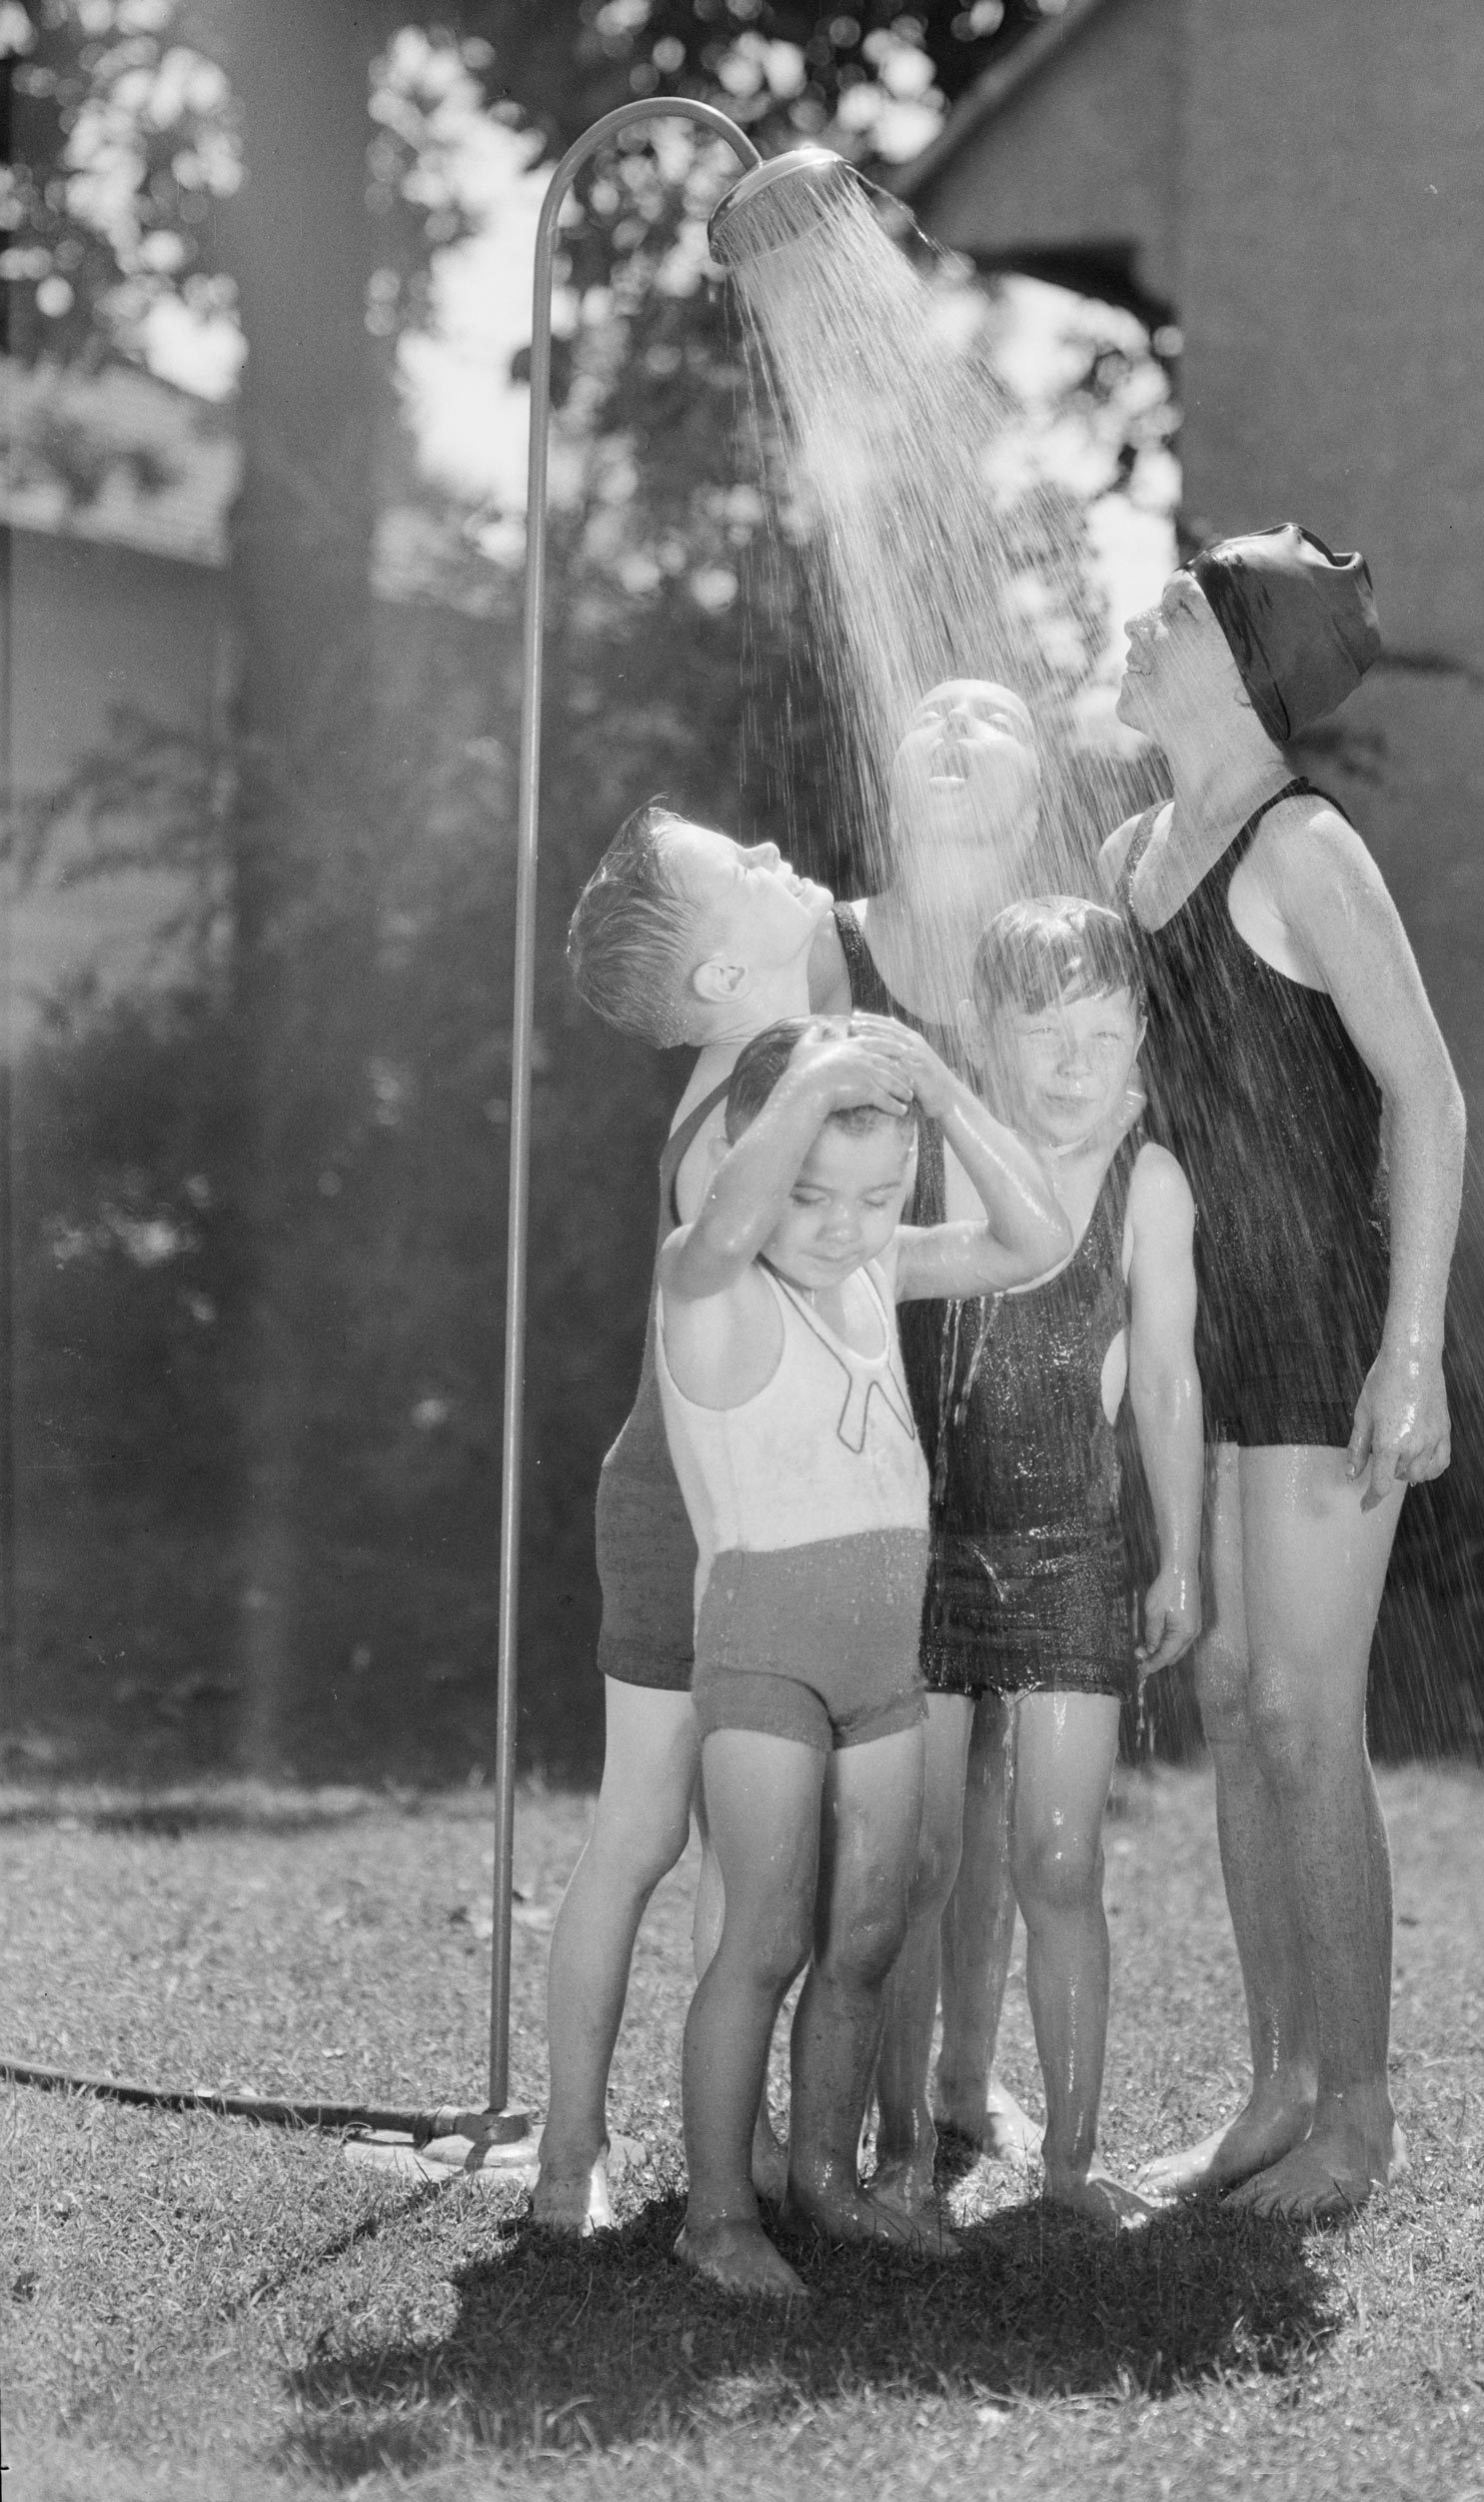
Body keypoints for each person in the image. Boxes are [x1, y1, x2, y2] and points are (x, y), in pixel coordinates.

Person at [1100, 526, 1465, 2220]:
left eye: (1172, 603)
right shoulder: (1132, 853)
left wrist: (1414, 1344)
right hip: (1205, 1337)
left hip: (1321, 1326)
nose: (1135, 613)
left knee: (1310, 1718)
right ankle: (1273, 2090)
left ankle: (1361, 2116)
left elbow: (1430, 1095)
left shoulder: (1304, 845)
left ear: (1241, 660)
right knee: (1234, 1707)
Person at [662, 1012, 1071, 2297]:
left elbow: (1037, 1238)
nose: (841, 1224)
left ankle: (828, 2181)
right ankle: (719, 2214)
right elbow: (731, 1223)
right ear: (747, 1151)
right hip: (764, 1655)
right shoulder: (708, 1274)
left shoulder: (867, 1270)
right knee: (768, 1937)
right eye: (809, 1192)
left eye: (876, 1196)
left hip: (881, 1660)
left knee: (867, 1937)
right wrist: (823, 1078)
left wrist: (944, 1093)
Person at [871, 898, 1203, 2229]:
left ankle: (1070, 2159)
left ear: (1140, 1040)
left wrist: (1179, 1553)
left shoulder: (1152, 1183)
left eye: (1107, 1032)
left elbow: (1168, 1382)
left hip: (1073, 1550)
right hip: (929, 1550)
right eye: (1047, 1033)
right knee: (919, 1856)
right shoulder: (944, 1164)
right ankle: (903, 2149)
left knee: (1061, 1858)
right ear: (989, 1042)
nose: (1079, 1061)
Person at [533, 804, 834, 2234]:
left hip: (733, 1506)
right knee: (648, 1828)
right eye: (751, 871)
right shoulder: (751, 1098)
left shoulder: (766, 1058)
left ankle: (737, 2128)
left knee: (728, 1838)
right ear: (722, 975)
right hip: (695, 1510)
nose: (782, 860)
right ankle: (572, 2147)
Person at [825, 677, 1054, 2164]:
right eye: (933, 714)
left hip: (1008, 1393)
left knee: (988, 1761)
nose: (960, 725)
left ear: (1035, 800)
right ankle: (843, 2081)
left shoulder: (1048, 966)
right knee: (858, 1756)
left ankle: (970, 2076)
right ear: (889, 774)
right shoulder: (827, 945)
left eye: (996, 717)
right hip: (847, 1396)